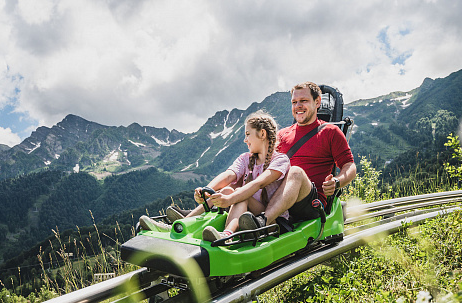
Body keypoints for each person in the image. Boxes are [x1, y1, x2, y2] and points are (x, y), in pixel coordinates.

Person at [139, 111, 290, 242]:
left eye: (248, 134)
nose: (245, 140)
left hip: (269, 218)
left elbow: (258, 184)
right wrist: (207, 190)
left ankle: (226, 235)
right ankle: (180, 225)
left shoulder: (280, 160)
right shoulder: (245, 158)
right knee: (228, 190)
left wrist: (232, 198)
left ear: (262, 134)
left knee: (237, 194)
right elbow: (228, 175)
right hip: (248, 212)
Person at [238, 81, 356, 232]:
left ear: (317, 102)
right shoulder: (281, 135)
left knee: (296, 172)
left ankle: (263, 222)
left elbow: (349, 165)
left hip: (309, 203)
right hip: (276, 198)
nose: (298, 106)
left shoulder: (330, 132)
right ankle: (224, 231)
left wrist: (337, 181)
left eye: (304, 101)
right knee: (242, 181)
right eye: (294, 102)